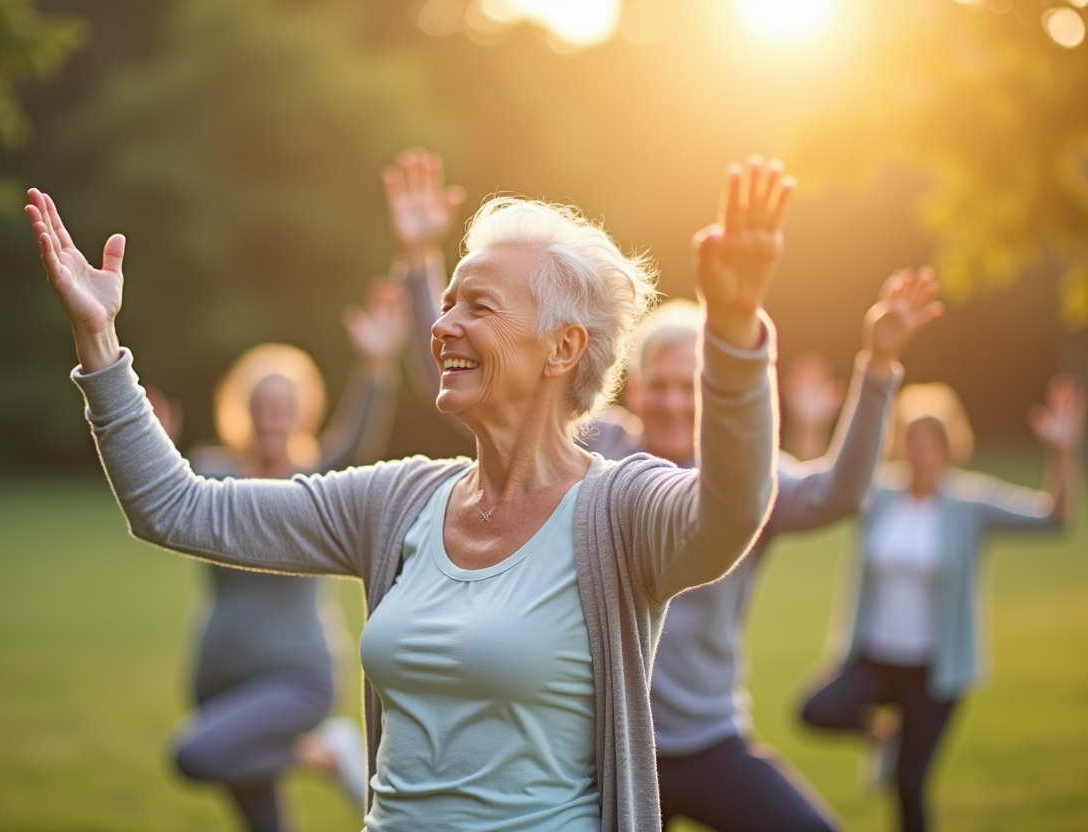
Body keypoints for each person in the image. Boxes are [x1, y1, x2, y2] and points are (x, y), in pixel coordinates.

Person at [24, 152, 791, 831]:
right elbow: (176, 507)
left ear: (563, 348)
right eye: (448, 302)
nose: (443, 326)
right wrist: (100, 341)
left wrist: (733, 339)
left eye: (478, 307)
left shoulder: (621, 513)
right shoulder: (396, 504)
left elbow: (729, 513)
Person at [382, 150, 947, 832]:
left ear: (713, 391)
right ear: (637, 388)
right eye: (663, 385)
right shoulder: (593, 452)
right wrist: (419, 261)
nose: (678, 401)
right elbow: (462, 370)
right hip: (600, 748)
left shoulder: (739, 482)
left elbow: (839, 494)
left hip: (706, 742)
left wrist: (879, 366)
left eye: (693, 384)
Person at [145, 278, 408, 832]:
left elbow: (358, 444)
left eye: (283, 406)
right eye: (261, 405)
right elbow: (162, 500)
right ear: (243, 409)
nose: (271, 416)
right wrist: (148, 445)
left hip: (295, 680)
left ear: (301, 413)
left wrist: (375, 367)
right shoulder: (211, 474)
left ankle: (325, 752)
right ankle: (318, 755)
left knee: (194, 757)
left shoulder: (313, 483)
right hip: (215, 678)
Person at [799, 374, 1086, 832]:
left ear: (951, 444)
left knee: (909, 784)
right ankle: (883, 733)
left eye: (933, 439)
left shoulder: (969, 503)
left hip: (934, 672)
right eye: (914, 437)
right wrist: (811, 425)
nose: (922, 449)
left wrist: (1063, 451)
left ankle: (900, 754)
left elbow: (1055, 518)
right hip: (874, 659)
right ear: (901, 442)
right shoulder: (880, 494)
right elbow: (815, 489)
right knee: (814, 710)